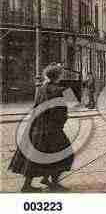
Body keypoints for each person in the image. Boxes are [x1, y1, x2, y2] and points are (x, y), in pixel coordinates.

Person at [9, 63, 74, 192]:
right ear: (59, 75)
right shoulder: (61, 90)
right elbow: (66, 109)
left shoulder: (41, 88)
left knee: (34, 156)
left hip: (37, 126)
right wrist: (62, 121)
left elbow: (35, 107)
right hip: (52, 129)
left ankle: (28, 184)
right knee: (63, 153)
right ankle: (53, 183)